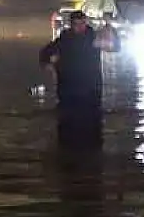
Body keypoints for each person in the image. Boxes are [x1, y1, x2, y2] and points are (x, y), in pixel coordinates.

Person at [39, 10, 119, 146]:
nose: (80, 27)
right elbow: (45, 54)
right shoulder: (64, 40)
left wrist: (110, 29)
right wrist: (50, 66)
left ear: (86, 22)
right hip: (70, 91)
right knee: (69, 132)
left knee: (90, 132)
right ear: (72, 25)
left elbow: (115, 47)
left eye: (82, 23)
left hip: (89, 92)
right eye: (77, 24)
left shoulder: (92, 39)